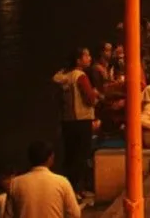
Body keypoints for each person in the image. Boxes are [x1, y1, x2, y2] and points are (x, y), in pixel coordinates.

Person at [51, 48, 98, 200]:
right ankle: (79, 190)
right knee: (82, 155)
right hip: (82, 120)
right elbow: (90, 99)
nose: (89, 58)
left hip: (67, 121)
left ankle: (68, 190)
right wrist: (96, 96)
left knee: (69, 156)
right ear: (78, 60)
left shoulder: (62, 77)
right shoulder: (80, 76)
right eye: (86, 55)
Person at [2, 141, 81, 218]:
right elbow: (75, 214)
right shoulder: (62, 182)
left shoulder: (16, 183)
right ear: (51, 157)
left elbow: (8, 215)